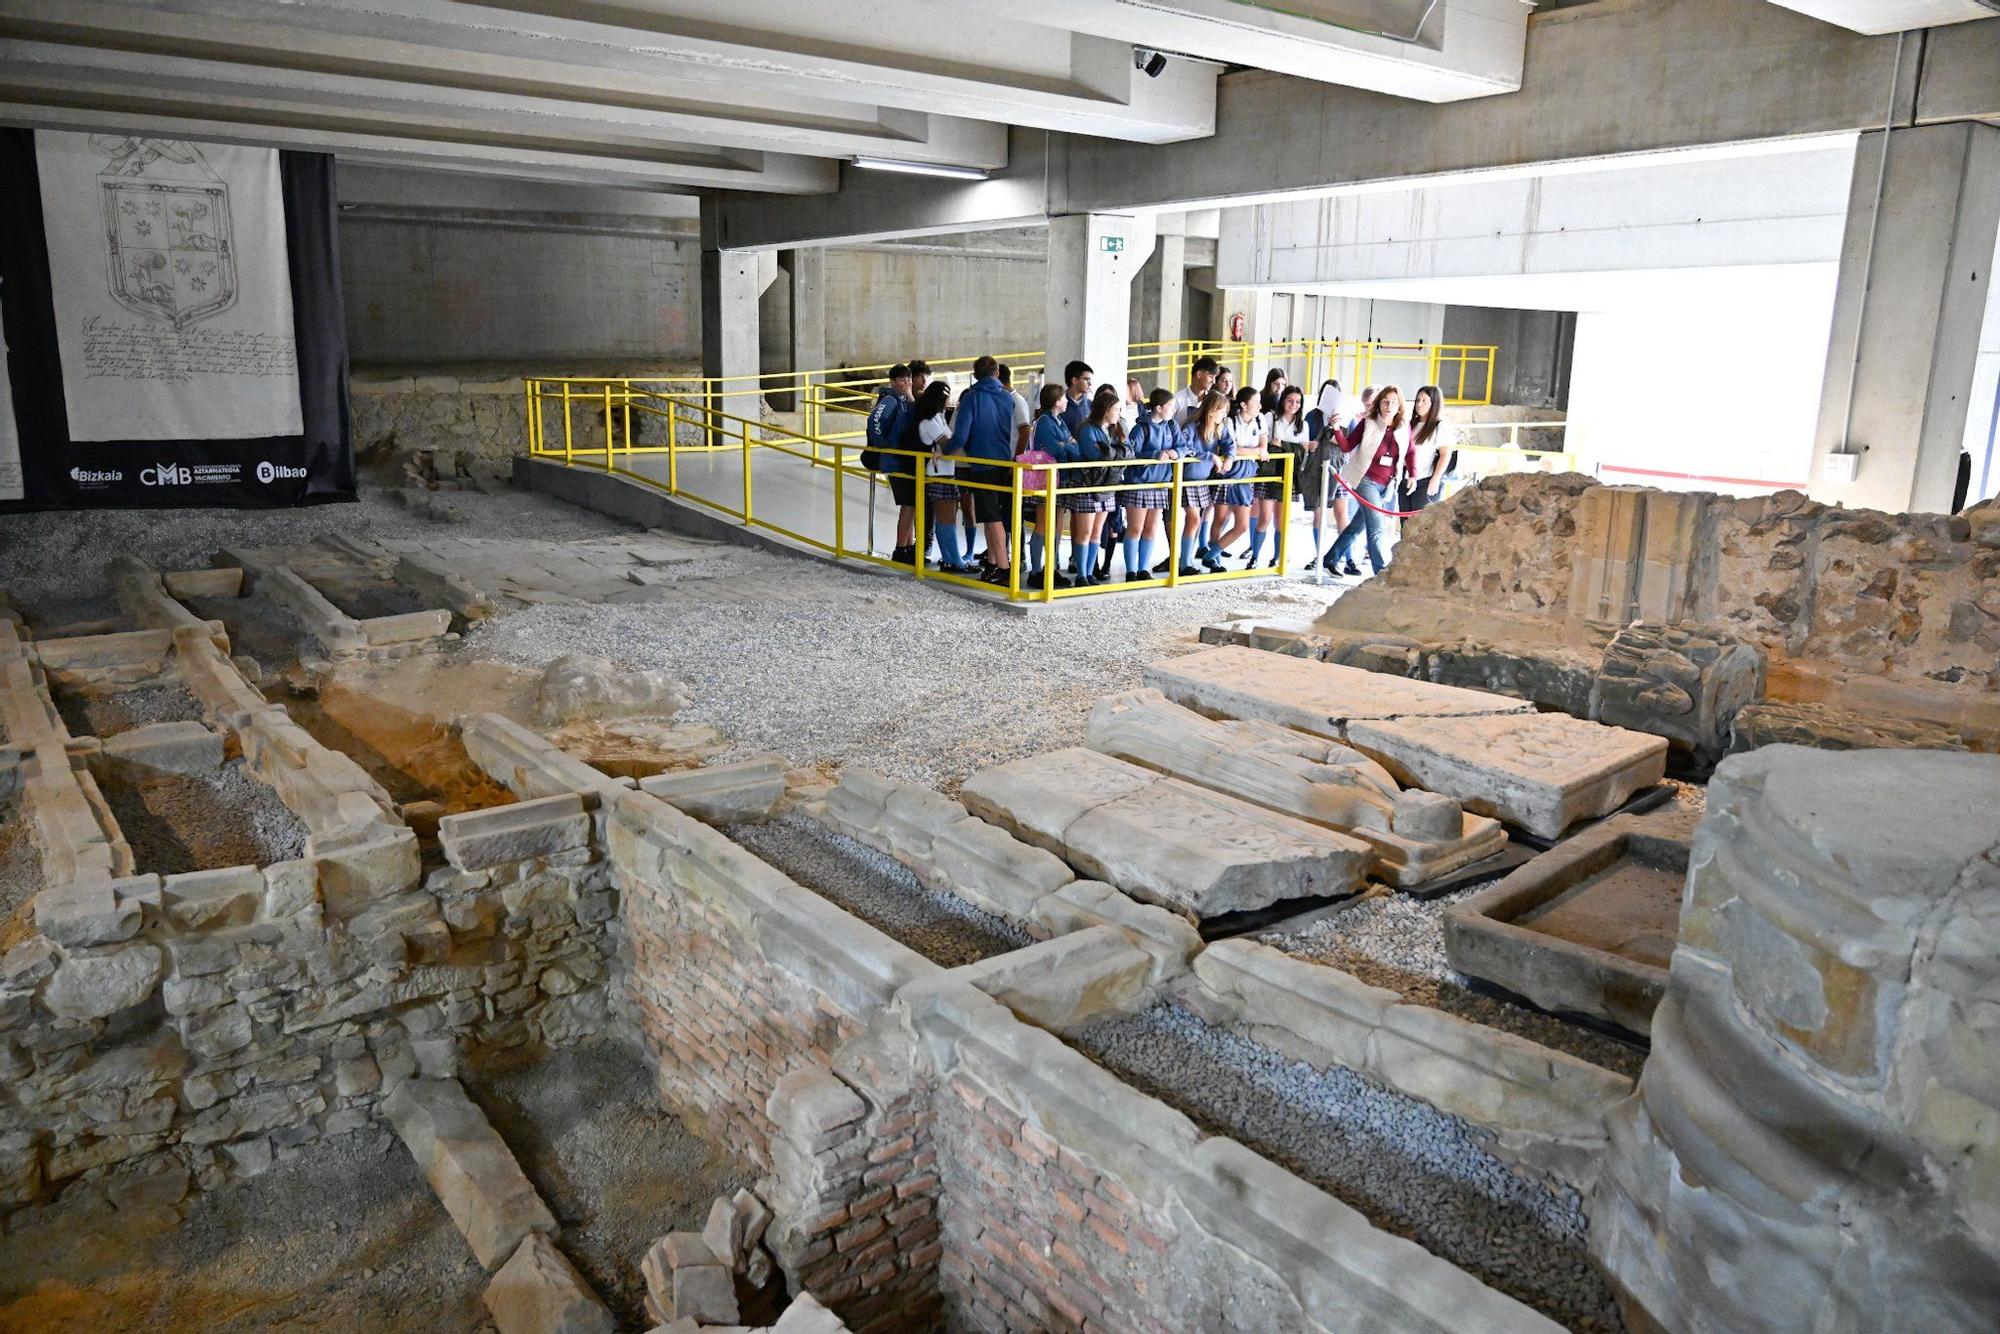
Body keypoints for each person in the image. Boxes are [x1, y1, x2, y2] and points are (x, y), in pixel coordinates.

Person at [948, 356, 1022, 586]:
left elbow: (961, 435)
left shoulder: (972, 398)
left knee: (991, 518)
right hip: (1003, 461)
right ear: (997, 372)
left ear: (976, 374)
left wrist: (944, 450)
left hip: (981, 464)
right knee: (994, 516)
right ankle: (993, 564)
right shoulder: (1006, 398)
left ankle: (1004, 569)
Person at [1327, 385, 1409, 578]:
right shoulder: (1368, 422)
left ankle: (1330, 558)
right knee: (1377, 527)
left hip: (1387, 484)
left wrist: (1411, 474)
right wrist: (1337, 429)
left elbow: (1410, 451)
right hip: (1365, 480)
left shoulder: (1404, 426)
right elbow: (1347, 446)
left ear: (1400, 405)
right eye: (1385, 401)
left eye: (1394, 402)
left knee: (1358, 526)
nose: (1389, 405)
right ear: (1379, 403)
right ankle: (1381, 573)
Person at [1065, 385, 1124, 586]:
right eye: (1116, 409)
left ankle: (1089, 573)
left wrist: (1111, 451)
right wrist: (1114, 452)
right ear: (1105, 410)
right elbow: (1095, 455)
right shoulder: (1087, 428)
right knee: (1085, 532)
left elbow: (1128, 452)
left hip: (1106, 485)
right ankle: (1082, 574)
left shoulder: (1114, 430)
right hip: (1087, 485)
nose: (1118, 414)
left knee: (1097, 532)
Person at [914, 380, 974, 575]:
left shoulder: (937, 419)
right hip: (939, 475)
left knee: (945, 519)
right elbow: (949, 445)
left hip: (945, 473)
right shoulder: (929, 422)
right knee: (946, 519)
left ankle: (950, 559)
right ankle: (954, 560)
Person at [1121, 388, 1177, 583]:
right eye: (1170, 406)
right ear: (1159, 408)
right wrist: (1154, 456)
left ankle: (1143, 568)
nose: (1173, 410)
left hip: (1160, 483)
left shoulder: (1170, 426)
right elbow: (1132, 453)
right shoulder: (1141, 428)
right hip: (1139, 483)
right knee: (1135, 528)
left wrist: (1176, 453)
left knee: (1151, 529)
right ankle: (1131, 570)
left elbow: (1183, 446)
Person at [865, 364, 917, 563]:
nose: (907, 383)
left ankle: (908, 545)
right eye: (903, 380)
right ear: (893, 382)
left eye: (909, 379)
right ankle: (901, 548)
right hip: (896, 461)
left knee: (910, 505)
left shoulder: (904, 400)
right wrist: (885, 446)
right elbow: (874, 422)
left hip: (903, 461)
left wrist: (911, 397)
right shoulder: (890, 400)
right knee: (908, 504)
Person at [1257, 384, 1310, 570]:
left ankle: (1278, 556)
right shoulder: (1270, 417)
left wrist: (1282, 444)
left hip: (1289, 474)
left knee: (1281, 518)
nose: (1294, 404)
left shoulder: (1303, 424)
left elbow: (1303, 452)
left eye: (1298, 402)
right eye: (1290, 400)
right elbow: (1265, 442)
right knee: (1264, 517)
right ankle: (1255, 557)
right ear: (1283, 400)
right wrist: (1289, 446)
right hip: (1270, 472)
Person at [1022, 384, 1071, 583]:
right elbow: (1055, 449)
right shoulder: (1044, 422)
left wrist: (1066, 446)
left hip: (1059, 477)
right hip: (1046, 479)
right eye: (1064, 398)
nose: (1066, 401)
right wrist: (1068, 445)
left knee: (1057, 526)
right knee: (1043, 524)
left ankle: (1051, 566)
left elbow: (1066, 445)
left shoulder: (1059, 421)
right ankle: (1035, 571)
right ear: (1057, 401)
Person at [1175, 391, 1227, 576]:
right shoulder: (1191, 426)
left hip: (1202, 480)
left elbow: (1230, 443)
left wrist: (1229, 457)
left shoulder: (1220, 426)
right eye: (1221, 412)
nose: (1223, 416)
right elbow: (1186, 448)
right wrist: (1209, 456)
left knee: (1197, 521)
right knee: (1194, 519)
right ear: (1212, 411)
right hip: (1188, 479)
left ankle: (1187, 560)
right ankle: (1183, 564)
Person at [1402, 384, 1450, 514]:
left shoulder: (1440, 426)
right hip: (1406, 480)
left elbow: (1445, 454)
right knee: (1405, 524)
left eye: (1424, 401)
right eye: (1418, 400)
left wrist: (1435, 479)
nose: (1419, 404)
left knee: (1421, 526)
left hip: (1426, 481)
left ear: (1434, 403)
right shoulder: (1411, 424)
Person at [1170, 355, 1218, 426]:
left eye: (1215, 377)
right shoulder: (1177, 399)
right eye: (1211, 376)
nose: (1213, 381)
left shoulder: (1213, 400)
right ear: (1199, 374)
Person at [997, 362, 1032, 453]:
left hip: (1011, 458)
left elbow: (1025, 432)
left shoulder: (1017, 401)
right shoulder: (1001, 400)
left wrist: (1017, 458)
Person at [1059, 360, 1094, 436]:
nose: (1090, 384)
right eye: (1087, 380)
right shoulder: (1058, 405)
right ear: (1074, 380)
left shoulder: (1091, 406)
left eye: (1090, 380)